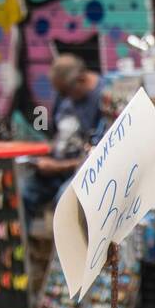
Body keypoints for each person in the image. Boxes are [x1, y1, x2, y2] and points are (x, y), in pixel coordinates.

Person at [21, 54, 103, 223]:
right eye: (60, 93)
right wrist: (47, 152)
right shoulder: (65, 96)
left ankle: (61, 250)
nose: (63, 97)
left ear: (81, 79)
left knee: (64, 202)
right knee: (20, 194)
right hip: (55, 169)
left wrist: (57, 166)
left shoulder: (101, 98)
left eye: (65, 91)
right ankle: (24, 247)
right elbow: (58, 134)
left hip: (81, 172)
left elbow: (97, 157)